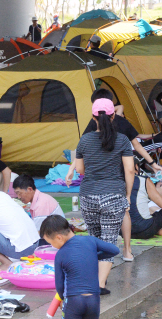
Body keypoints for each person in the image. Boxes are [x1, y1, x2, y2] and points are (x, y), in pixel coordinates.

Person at [66, 89, 160, 261]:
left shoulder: (90, 129)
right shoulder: (121, 128)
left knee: (97, 231)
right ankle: (127, 251)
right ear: (113, 110)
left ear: (94, 113)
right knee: (122, 213)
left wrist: (75, 170)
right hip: (118, 180)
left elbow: (81, 156)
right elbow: (135, 152)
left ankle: (99, 262)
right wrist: (152, 164)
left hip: (95, 186)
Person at [74, 98, 134, 295]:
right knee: (108, 241)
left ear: (93, 117)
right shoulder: (122, 140)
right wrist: (126, 195)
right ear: (113, 116)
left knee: (94, 238)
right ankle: (99, 284)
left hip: (88, 195)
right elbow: (130, 171)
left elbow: (81, 169)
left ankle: (94, 279)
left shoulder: (85, 140)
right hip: (113, 196)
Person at [40, 215, 120, 318]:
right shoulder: (91, 240)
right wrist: (93, 256)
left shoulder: (60, 254)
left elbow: (59, 286)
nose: (52, 246)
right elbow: (114, 250)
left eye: (51, 243)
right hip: (93, 300)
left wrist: (62, 299)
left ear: (59, 237)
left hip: (74, 301)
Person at [128, 157, 162, 239]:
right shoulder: (143, 180)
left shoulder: (116, 182)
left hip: (123, 231)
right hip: (145, 230)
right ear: (136, 166)